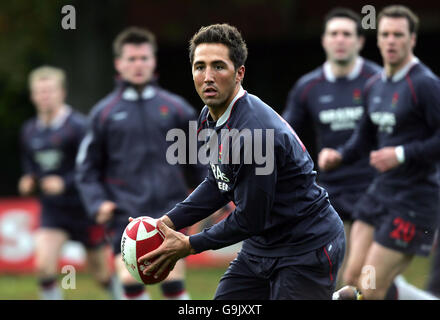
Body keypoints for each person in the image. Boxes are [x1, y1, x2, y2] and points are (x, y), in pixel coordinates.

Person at [135, 23, 345, 300]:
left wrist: (190, 244)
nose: (208, 76)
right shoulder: (209, 116)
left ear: (239, 73)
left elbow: (250, 218)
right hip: (261, 247)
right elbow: (217, 183)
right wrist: (167, 222)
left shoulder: (254, 134)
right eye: (200, 67)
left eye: (218, 66)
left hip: (305, 247)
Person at [75, 27, 205, 300]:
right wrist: (97, 203)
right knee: (131, 281)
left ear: (153, 61)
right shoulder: (104, 114)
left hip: (171, 210)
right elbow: (86, 168)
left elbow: (199, 160)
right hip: (124, 212)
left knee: (172, 280)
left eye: (144, 58)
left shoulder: (177, 108)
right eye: (131, 59)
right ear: (118, 64)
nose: (138, 65)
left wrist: (209, 199)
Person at [320, 5, 440, 300]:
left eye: (398, 35)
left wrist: (401, 154)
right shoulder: (374, 86)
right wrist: (339, 156)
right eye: (385, 34)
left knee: (369, 287)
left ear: (412, 39)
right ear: (377, 39)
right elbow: (363, 139)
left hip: (415, 198)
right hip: (380, 192)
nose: (390, 41)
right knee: (351, 277)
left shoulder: (425, 84)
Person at [282, 8, 381, 287]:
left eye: (347, 34)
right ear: (324, 41)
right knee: (331, 277)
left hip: (373, 189)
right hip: (328, 193)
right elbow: (285, 137)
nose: (340, 40)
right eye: (334, 34)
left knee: (362, 278)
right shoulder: (308, 86)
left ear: (360, 41)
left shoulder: (378, 81)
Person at [18, 66, 118, 300]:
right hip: (54, 211)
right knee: (43, 267)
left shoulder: (79, 126)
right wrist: (28, 180)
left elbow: (95, 167)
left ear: (62, 93)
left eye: (49, 91)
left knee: (101, 274)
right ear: (33, 96)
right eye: (40, 92)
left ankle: (121, 295)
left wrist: (65, 182)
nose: (45, 96)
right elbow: (31, 167)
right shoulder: (29, 131)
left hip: (85, 209)